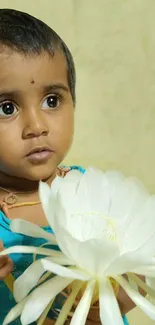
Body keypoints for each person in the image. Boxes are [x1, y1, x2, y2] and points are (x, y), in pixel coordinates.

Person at [0, 8, 130, 324]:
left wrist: (110, 299)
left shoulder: (96, 193)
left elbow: (134, 285)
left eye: (52, 101)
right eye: (7, 108)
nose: (36, 126)